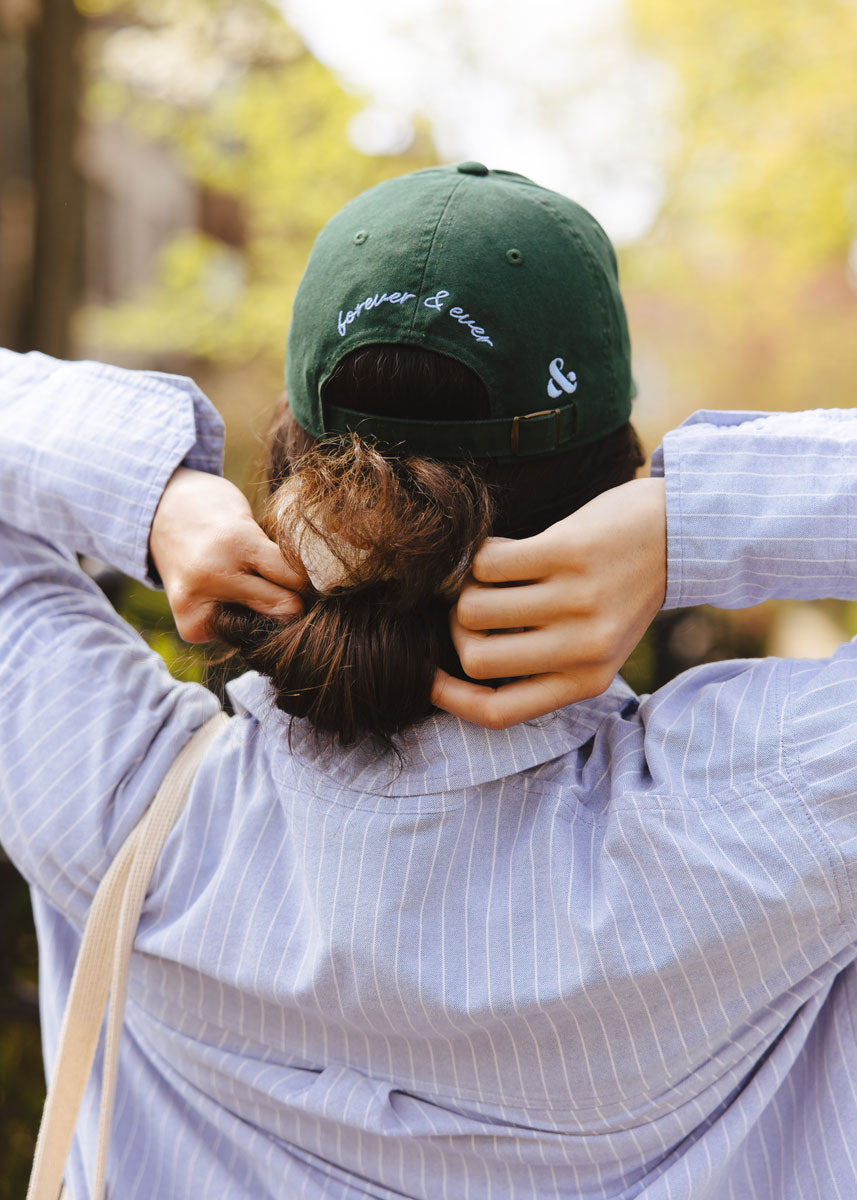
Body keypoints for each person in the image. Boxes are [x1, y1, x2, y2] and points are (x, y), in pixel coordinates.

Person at [2, 162, 856, 1200]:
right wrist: (695, 523)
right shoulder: (765, 815)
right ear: (602, 490)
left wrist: (150, 493)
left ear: (289, 464)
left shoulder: (116, 804)